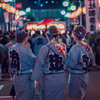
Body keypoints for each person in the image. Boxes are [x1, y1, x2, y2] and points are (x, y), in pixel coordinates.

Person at [30, 25, 67, 100]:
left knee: (48, 97)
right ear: (58, 35)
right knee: (59, 97)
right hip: (61, 76)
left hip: (49, 77)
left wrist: (36, 79)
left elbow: (39, 64)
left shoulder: (44, 49)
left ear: (47, 35)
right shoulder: (63, 47)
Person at [65, 25, 93, 100]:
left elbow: (70, 64)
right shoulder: (87, 46)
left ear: (75, 35)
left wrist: (66, 57)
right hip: (85, 74)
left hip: (76, 76)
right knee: (81, 95)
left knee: (77, 97)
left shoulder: (76, 48)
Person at [9, 28, 36, 100]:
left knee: (19, 95)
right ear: (25, 38)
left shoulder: (12, 48)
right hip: (25, 77)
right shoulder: (25, 49)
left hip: (16, 76)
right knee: (26, 96)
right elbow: (33, 62)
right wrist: (28, 49)